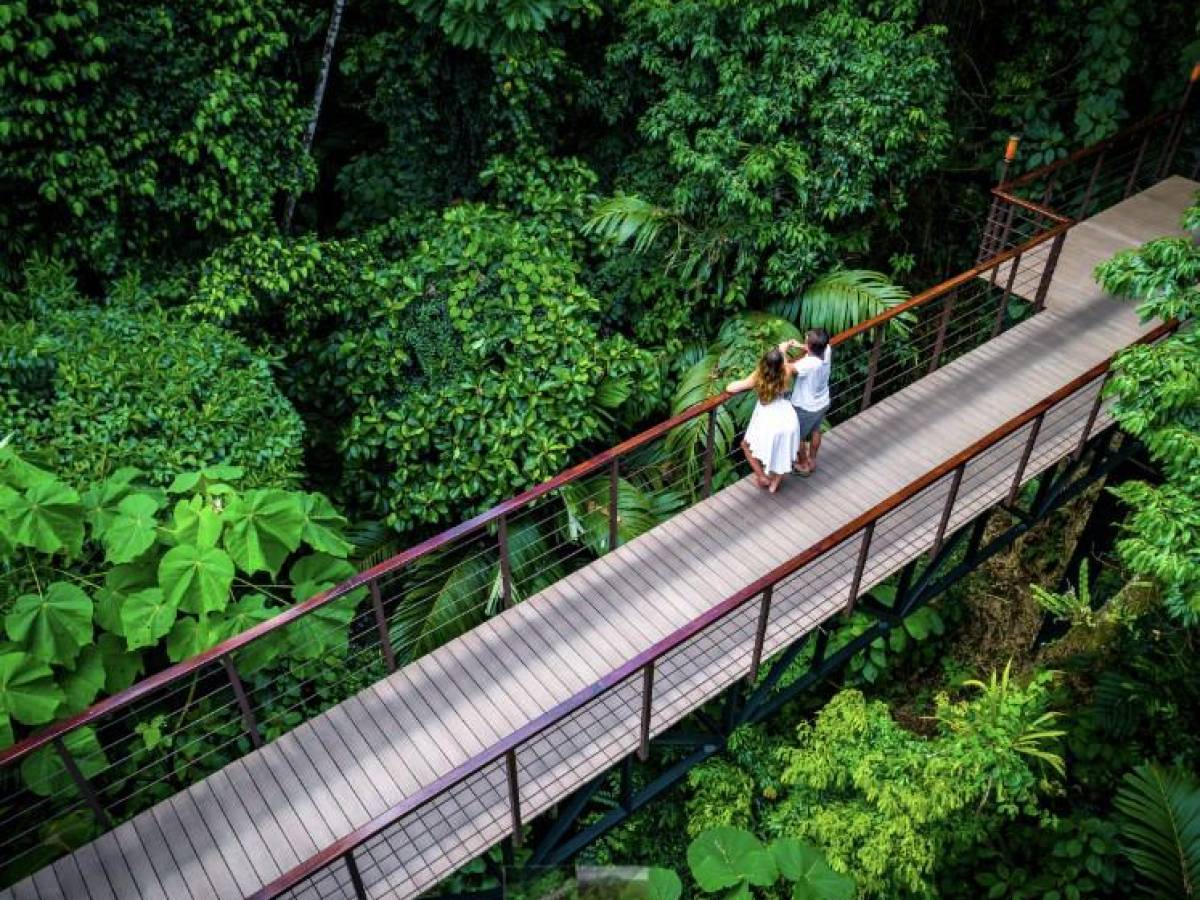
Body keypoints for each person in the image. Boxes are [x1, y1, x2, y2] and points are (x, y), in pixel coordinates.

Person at [726, 348, 802, 493]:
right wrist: (783, 351)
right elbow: (785, 364)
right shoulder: (786, 372)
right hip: (786, 415)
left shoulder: (758, 377)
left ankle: (762, 477)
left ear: (764, 363)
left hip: (767, 417)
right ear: (781, 364)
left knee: (745, 445)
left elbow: (731, 387)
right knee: (783, 448)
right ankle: (774, 484)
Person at [779, 329, 832, 475]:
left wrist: (782, 351)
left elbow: (787, 369)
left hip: (806, 407)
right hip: (822, 401)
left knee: (797, 436)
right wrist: (800, 346)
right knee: (816, 429)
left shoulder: (808, 364)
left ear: (810, 346)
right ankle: (812, 460)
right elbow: (816, 347)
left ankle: (803, 465)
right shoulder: (827, 350)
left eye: (805, 341)